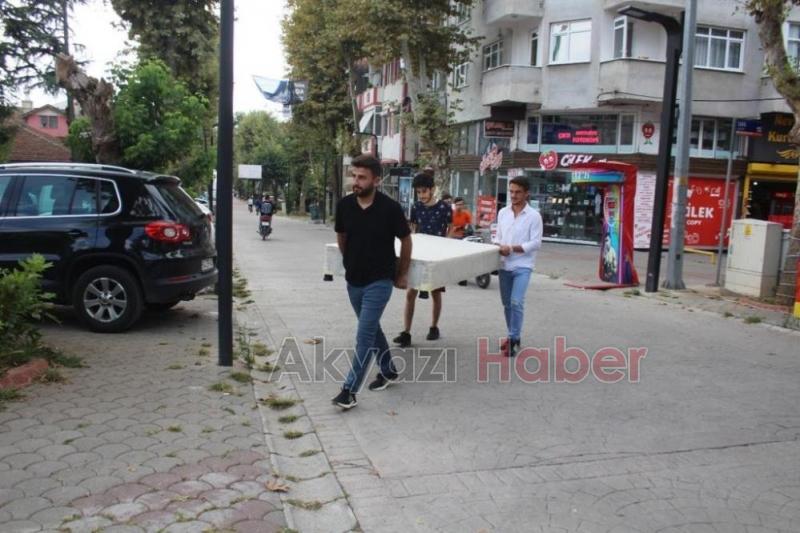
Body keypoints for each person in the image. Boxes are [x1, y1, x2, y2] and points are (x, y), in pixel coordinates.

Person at [332, 154, 412, 410]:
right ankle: (388, 370)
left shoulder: (390, 208)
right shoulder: (344, 205)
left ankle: (349, 391)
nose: (356, 181)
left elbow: (406, 240)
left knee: (364, 336)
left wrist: (401, 273)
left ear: (376, 180)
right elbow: (342, 236)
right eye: (354, 176)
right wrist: (349, 262)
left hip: (380, 280)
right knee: (372, 328)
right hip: (354, 280)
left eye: (362, 177)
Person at [392, 173, 452, 348]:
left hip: (437, 256)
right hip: (420, 254)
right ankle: (406, 332)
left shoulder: (445, 207)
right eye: (418, 192)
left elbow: (451, 227)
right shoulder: (416, 207)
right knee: (411, 293)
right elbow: (413, 229)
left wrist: (446, 244)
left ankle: (434, 327)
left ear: (432, 189)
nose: (421, 195)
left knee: (435, 293)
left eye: (424, 191)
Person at [492, 177, 543, 358]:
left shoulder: (534, 216)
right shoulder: (503, 213)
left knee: (516, 301)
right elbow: (498, 236)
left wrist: (512, 248)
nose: (513, 195)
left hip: (523, 265)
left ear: (526, 193)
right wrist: (498, 246)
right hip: (504, 264)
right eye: (511, 191)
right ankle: (513, 334)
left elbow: (536, 243)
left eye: (518, 192)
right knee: (507, 304)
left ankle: (512, 339)